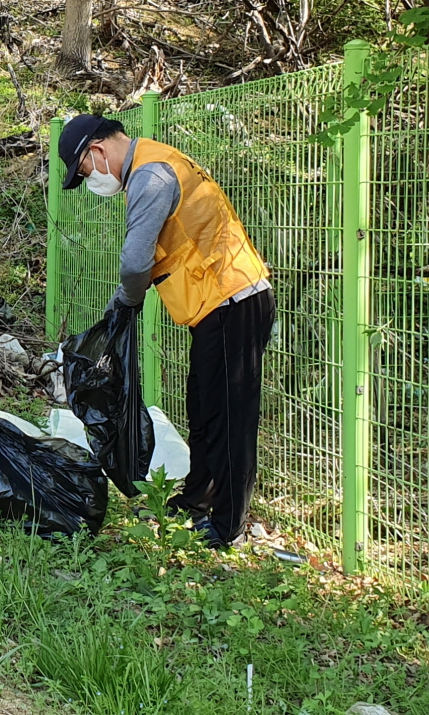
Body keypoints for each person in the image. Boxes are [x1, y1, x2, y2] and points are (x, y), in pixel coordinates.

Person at [57, 113, 274, 549]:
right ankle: (196, 500)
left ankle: (227, 523)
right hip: (216, 304)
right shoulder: (154, 164)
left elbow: (136, 261)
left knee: (231, 417)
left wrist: (126, 301)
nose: (91, 180)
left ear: (96, 151)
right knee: (204, 406)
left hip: (234, 300)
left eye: (83, 171)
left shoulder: (150, 176)